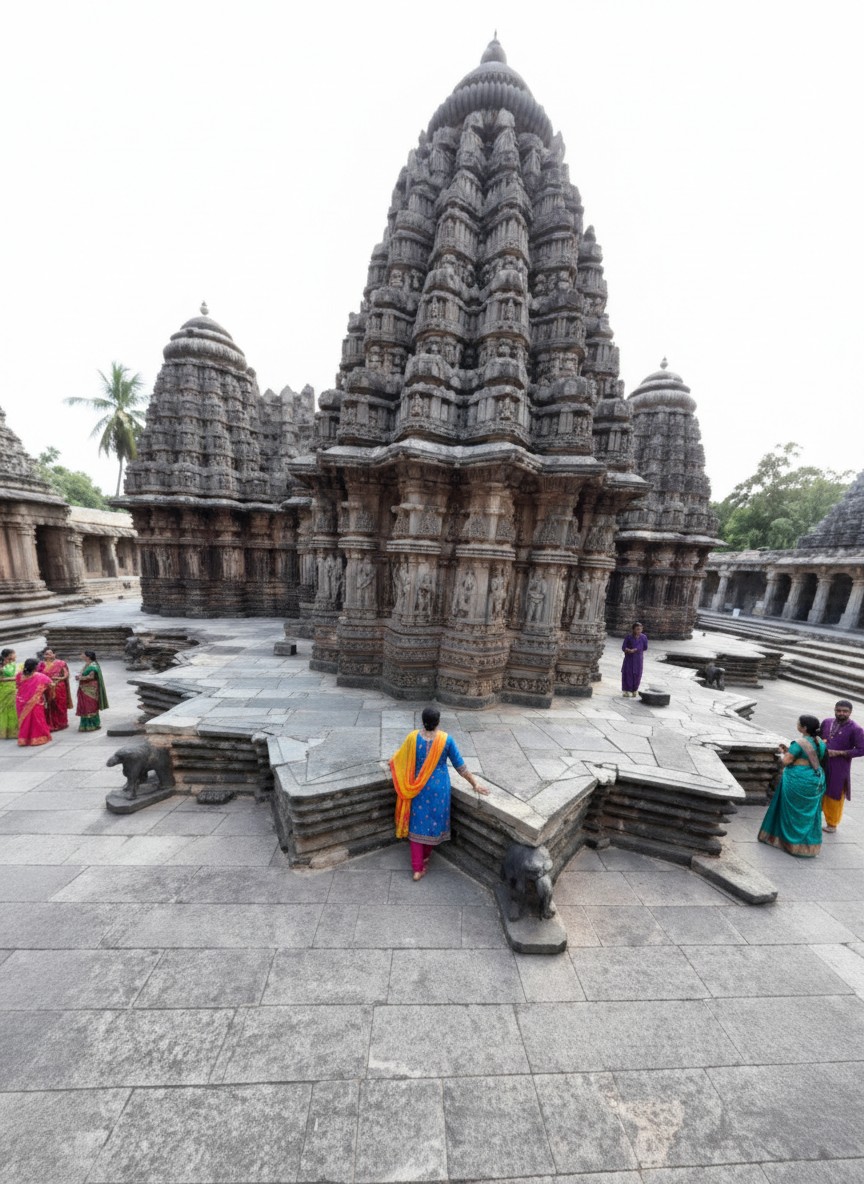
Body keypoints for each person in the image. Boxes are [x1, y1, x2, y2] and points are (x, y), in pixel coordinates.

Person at [390, 706, 490, 880]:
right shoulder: (446, 740)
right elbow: (460, 767)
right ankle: (425, 858)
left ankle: (417, 869)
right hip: (439, 788)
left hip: (418, 787)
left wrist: (391, 762)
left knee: (417, 824)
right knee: (434, 823)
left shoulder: (412, 737)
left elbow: (400, 758)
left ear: (423, 721)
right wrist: (475, 783)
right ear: (438, 722)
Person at [758, 714, 826, 858]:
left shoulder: (799, 743)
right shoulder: (820, 742)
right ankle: (806, 846)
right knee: (808, 813)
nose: (797, 724)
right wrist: (789, 751)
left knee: (791, 812)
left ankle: (790, 842)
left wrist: (783, 754)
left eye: (798, 723)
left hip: (797, 779)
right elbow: (813, 757)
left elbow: (786, 761)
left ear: (804, 728)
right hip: (814, 780)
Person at [820, 699, 864, 833]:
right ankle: (812, 818)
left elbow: (861, 749)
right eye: (838, 710)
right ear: (834, 710)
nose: (841, 713)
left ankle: (832, 823)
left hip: (839, 766)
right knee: (817, 788)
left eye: (845, 711)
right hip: (821, 762)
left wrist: (840, 753)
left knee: (834, 792)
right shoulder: (827, 722)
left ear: (850, 712)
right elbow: (818, 737)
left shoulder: (856, 729)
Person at [14, 658, 53, 748]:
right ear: (35, 667)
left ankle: (24, 740)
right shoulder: (40, 676)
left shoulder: (19, 675)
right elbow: (51, 684)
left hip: (21, 701)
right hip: (35, 702)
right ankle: (38, 738)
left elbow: (17, 685)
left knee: (25, 721)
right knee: (36, 720)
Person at [38, 647, 72, 732]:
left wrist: (57, 679)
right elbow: (38, 675)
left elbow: (66, 675)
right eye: (46, 654)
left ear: (54, 654)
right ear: (43, 655)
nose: (48, 655)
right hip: (46, 688)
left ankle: (62, 723)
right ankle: (50, 724)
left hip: (59, 687)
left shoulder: (61, 663)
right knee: (49, 706)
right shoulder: (41, 664)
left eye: (50, 653)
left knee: (59, 705)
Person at [75, 650, 109, 732]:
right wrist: (80, 676)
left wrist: (80, 678)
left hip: (90, 690)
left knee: (90, 706)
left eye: (83, 654)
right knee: (85, 706)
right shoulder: (87, 664)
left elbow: (91, 677)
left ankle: (93, 724)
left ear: (88, 657)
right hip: (84, 688)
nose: (81, 655)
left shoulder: (93, 666)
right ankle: (85, 725)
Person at [621, 622, 648, 697]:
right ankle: (626, 690)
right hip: (629, 658)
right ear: (633, 629)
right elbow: (623, 647)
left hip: (638, 658)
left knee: (637, 674)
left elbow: (645, 647)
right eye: (637, 629)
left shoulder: (644, 637)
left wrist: (636, 650)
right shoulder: (628, 637)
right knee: (628, 673)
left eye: (640, 629)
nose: (639, 631)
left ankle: (635, 690)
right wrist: (628, 650)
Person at [0, 648, 19, 740]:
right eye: (14, 654)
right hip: (4, 689)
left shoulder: (13, 664)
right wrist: (14, 678)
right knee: (5, 709)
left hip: (13, 688)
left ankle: (14, 731)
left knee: (13, 709)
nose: (16, 655)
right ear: (9, 656)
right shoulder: (1, 666)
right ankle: (5, 731)